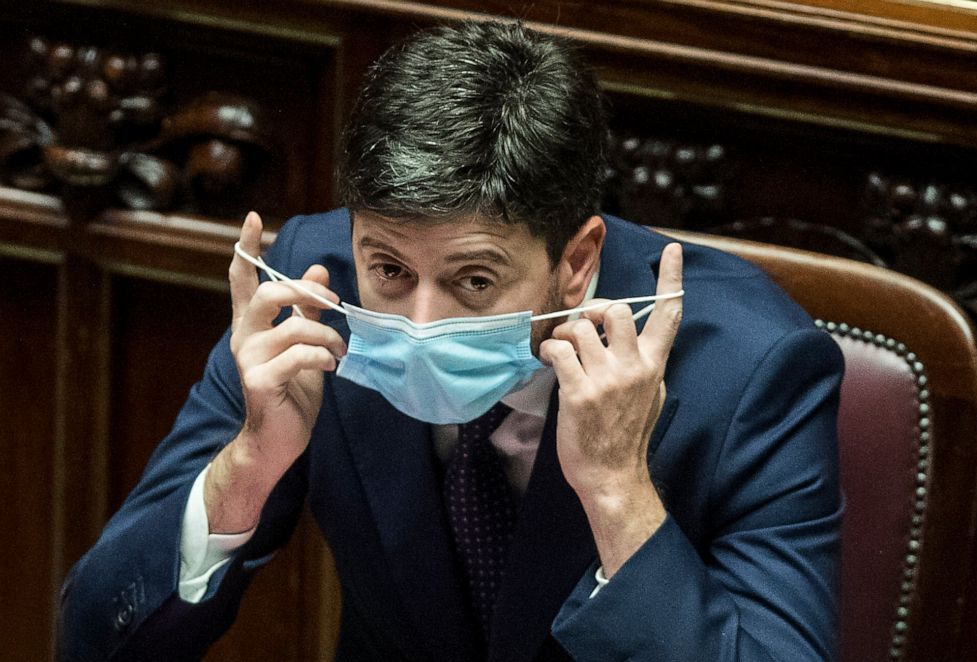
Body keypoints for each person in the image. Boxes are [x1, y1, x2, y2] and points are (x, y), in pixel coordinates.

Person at [58, 20, 843, 662]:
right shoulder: (310, 292)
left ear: (576, 262)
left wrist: (619, 497)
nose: (421, 325)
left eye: (473, 281)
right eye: (391, 269)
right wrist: (250, 463)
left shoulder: (749, 370)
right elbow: (92, 637)